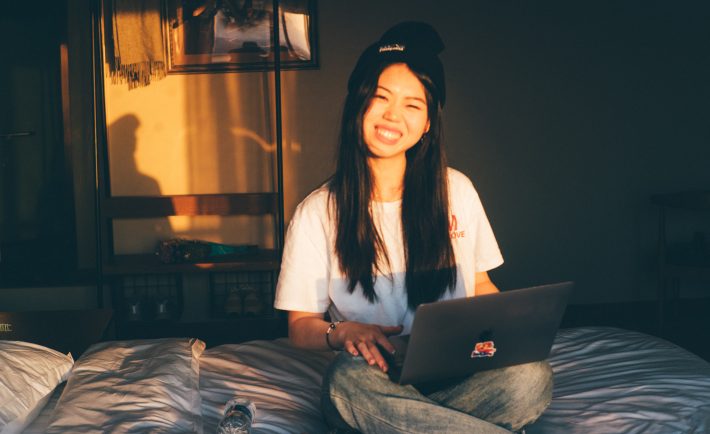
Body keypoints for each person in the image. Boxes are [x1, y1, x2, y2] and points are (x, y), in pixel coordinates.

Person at [274, 22, 552, 433]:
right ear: (357, 105)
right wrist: (342, 331)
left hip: (456, 371)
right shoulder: (318, 211)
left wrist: (508, 330)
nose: (392, 115)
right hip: (374, 376)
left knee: (532, 378)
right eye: (381, 98)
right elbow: (301, 327)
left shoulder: (456, 190)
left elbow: (479, 284)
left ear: (427, 125)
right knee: (343, 386)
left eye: (412, 105)